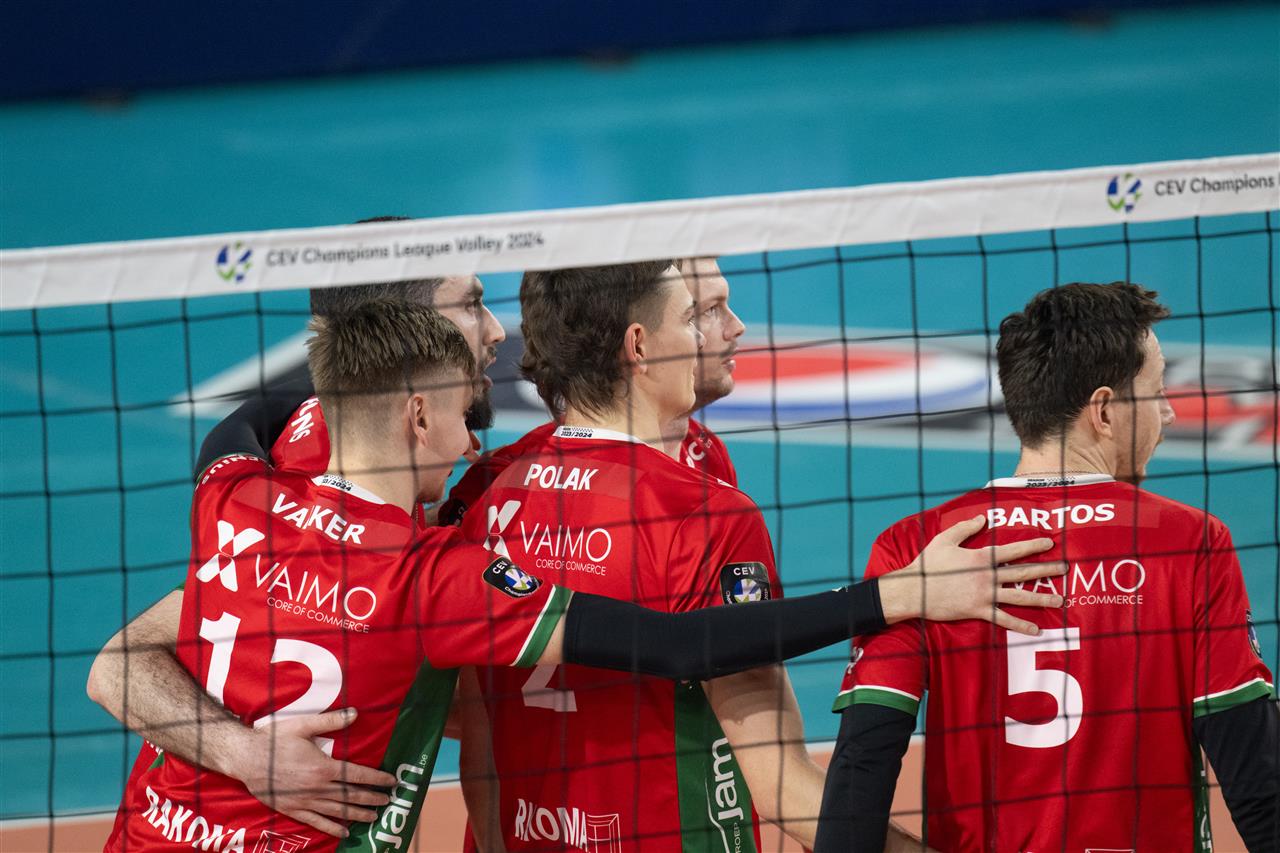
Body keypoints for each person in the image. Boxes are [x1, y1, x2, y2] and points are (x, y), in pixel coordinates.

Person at [449, 261, 1053, 851]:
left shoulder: (489, 493)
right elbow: (781, 786)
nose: (711, 336)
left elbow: (478, 747)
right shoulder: (703, 512)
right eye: (691, 318)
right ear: (639, 346)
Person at [88, 215, 511, 843]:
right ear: (402, 331)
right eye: (472, 305)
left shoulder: (398, 461)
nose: (498, 330)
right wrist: (245, 755)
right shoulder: (315, 471)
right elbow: (119, 663)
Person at [814, 282, 1279, 852]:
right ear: (1103, 411)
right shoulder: (1188, 541)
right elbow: (1255, 773)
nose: (1169, 412)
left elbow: (862, 769)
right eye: (1157, 392)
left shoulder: (916, 546)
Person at [435, 255, 742, 528]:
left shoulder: (708, 453)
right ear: (638, 340)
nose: (736, 326)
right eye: (697, 314)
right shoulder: (502, 476)